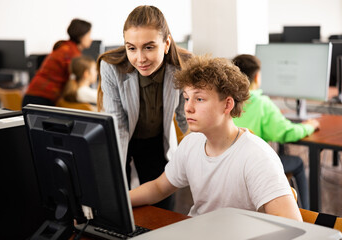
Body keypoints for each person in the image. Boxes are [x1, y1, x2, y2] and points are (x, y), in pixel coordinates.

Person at [130, 55, 303, 221]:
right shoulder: (192, 143)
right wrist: (115, 202)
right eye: (186, 98)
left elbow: (292, 223)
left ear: (227, 104)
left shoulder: (256, 156)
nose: (188, 107)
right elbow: (159, 188)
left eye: (199, 99)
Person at [96, 5, 192, 210]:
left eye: (149, 47)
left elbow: (185, 116)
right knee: (117, 198)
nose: (140, 58)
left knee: (162, 204)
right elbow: (118, 124)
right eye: (131, 48)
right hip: (120, 137)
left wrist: (206, 150)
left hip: (155, 140)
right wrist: (114, 173)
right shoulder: (111, 66)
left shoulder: (183, 65)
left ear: (166, 44)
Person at [232, 54, 320, 210]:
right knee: (298, 163)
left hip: (231, 165)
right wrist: (309, 126)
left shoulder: (226, 100)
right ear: (257, 77)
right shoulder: (261, 103)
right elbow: (285, 133)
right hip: (254, 168)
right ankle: (306, 212)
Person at [22, 18, 93, 107]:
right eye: (89, 35)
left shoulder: (64, 47)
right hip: (42, 100)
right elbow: (77, 81)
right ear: (81, 36)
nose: (91, 39)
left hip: (33, 95)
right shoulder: (72, 54)